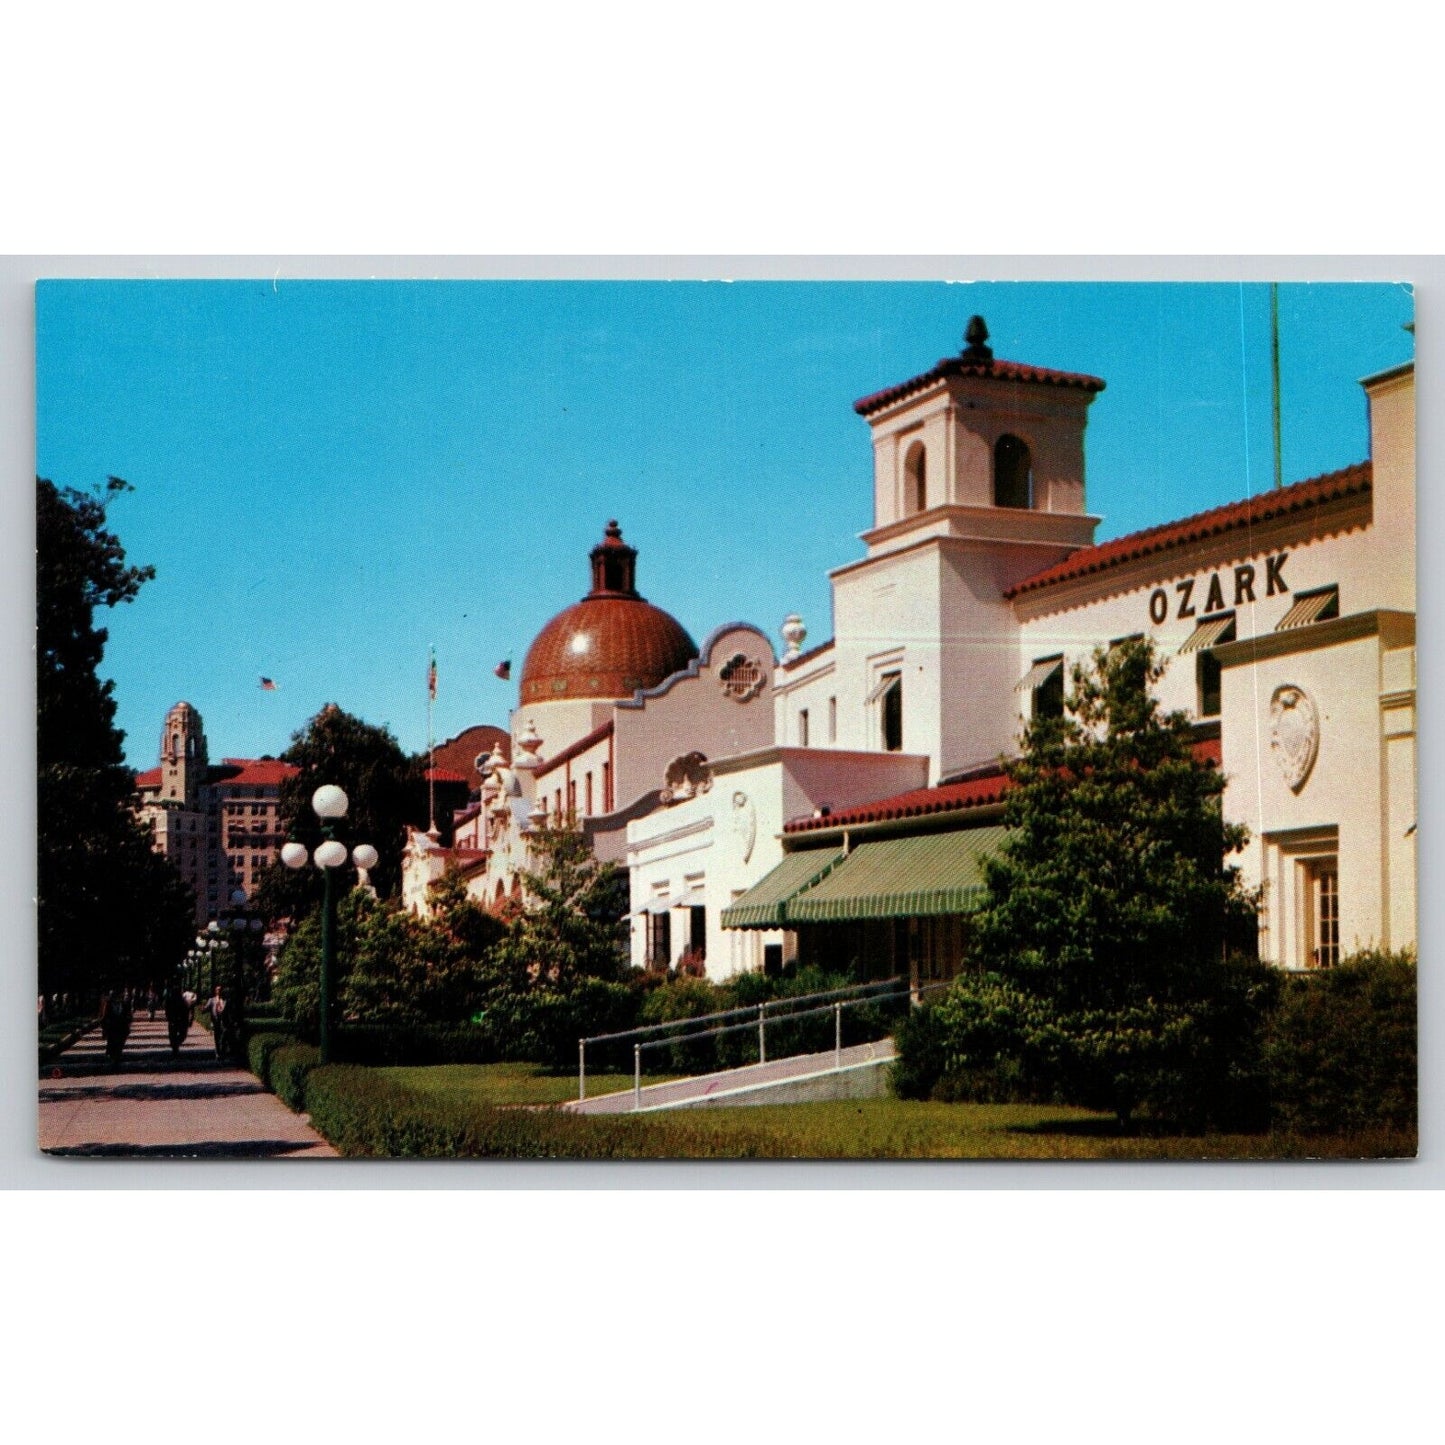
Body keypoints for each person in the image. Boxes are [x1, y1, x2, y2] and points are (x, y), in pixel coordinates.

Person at [99, 989, 132, 1069]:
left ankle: (116, 1059)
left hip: (122, 1028)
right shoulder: (108, 1005)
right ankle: (114, 1059)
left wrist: (128, 1022)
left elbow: (129, 1016)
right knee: (112, 1044)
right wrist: (104, 1028)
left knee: (120, 1045)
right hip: (112, 1029)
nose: (117, 998)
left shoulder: (124, 1004)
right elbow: (104, 1017)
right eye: (114, 997)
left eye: (119, 996)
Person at [164, 985, 190, 1056]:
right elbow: (186, 1011)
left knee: (173, 1035)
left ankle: (174, 1046)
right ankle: (175, 1046)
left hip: (174, 1020)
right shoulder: (182, 1001)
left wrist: (169, 1018)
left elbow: (167, 1011)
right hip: (179, 1020)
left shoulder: (170, 1000)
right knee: (182, 1035)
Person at [203, 984, 227, 1060]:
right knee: (216, 1038)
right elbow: (206, 1009)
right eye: (218, 990)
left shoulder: (226, 1000)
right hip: (215, 1021)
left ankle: (222, 1051)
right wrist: (202, 1009)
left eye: (220, 990)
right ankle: (218, 1054)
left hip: (224, 1022)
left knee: (223, 1038)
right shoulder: (212, 1000)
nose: (219, 991)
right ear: (215, 991)